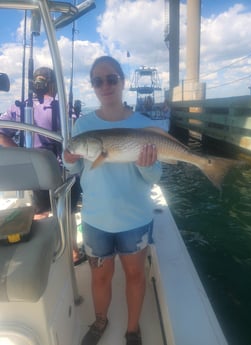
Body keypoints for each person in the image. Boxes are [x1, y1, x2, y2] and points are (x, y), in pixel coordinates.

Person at [63, 56, 162, 345]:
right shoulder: (83, 124)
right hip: (96, 219)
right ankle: (100, 320)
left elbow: (155, 177)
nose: (105, 85)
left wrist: (145, 164)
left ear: (122, 81)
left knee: (135, 275)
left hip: (135, 218)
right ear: (93, 86)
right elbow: (77, 168)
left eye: (111, 79)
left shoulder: (143, 124)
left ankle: (132, 329)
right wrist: (70, 160)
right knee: (100, 277)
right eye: (98, 80)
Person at [0, 66, 83, 264]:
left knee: (41, 211)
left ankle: (45, 249)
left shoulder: (20, 106)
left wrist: (24, 155)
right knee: (68, 211)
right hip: (63, 170)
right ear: (52, 84)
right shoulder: (62, 106)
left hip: (37, 171)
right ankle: (72, 252)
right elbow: (76, 136)